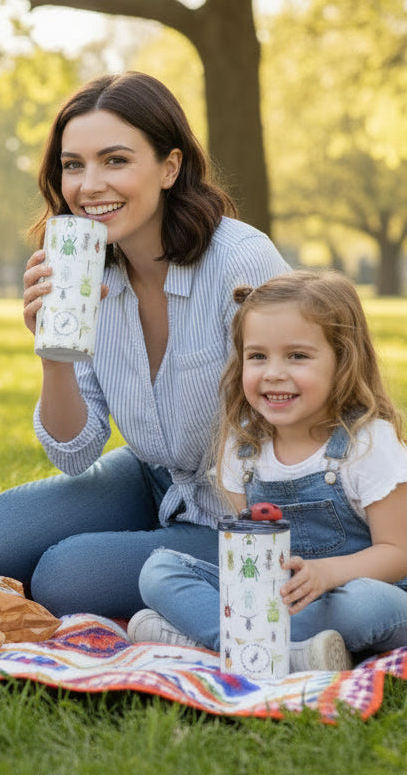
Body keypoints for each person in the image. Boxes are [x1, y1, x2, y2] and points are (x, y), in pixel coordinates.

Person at [0, 71, 289, 618]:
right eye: (73, 165)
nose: (88, 186)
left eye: (115, 160)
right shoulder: (83, 273)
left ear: (169, 168)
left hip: (247, 508)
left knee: (65, 576)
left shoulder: (240, 261)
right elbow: (75, 450)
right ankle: (150, 540)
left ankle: (190, 565)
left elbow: (311, 408)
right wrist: (53, 354)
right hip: (156, 475)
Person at [131, 271, 407, 671]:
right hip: (280, 599)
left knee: (364, 605)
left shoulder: (368, 443)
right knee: (159, 571)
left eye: (297, 355)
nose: (273, 372)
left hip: (366, 592)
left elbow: (399, 553)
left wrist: (329, 573)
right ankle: (287, 652)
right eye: (258, 356)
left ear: (343, 361)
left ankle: (222, 641)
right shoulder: (244, 450)